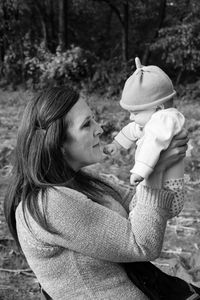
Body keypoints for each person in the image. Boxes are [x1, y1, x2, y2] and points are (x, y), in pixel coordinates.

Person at [3, 86, 191, 300]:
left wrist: (163, 159)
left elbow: (145, 207)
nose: (100, 129)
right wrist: (153, 172)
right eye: (86, 124)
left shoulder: (84, 182)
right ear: (58, 143)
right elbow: (142, 244)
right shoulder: (50, 204)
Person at [104, 57, 185, 217]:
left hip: (167, 189)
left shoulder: (165, 119)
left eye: (135, 113)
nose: (130, 117)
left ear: (158, 109)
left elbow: (153, 143)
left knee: (138, 216)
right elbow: (133, 129)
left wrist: (140, 171)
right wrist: (117, 144)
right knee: (133, 214)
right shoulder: (154, 121)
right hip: (156, 183)